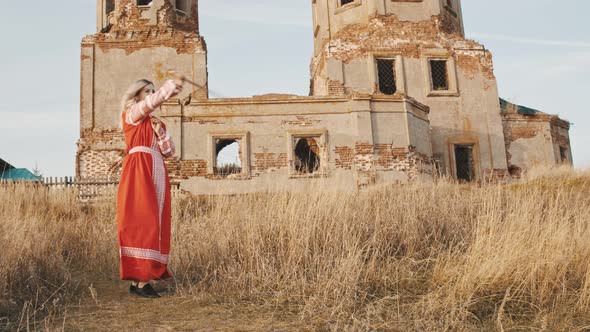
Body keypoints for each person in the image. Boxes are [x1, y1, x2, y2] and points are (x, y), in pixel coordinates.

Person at [116, 75, 185, 298]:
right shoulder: (133, 115)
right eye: (148, 91)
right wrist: (171, 86)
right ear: (137, 95)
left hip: (157, 173)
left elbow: (169, 151)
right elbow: (150, 103)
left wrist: (160, 131)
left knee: (156, 222)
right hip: (139, 171)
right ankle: (141, 280)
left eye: (154, 91)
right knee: (141, 221)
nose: (152, 95)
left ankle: (140, 281)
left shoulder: (156, 122)